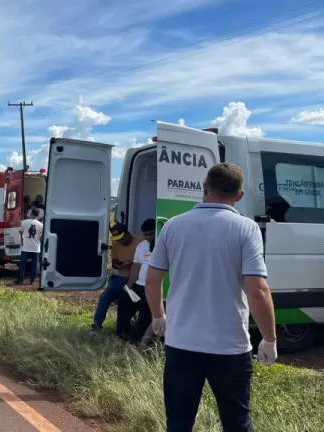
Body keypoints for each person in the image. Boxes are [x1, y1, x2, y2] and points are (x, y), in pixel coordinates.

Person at [144, 163, 278, 432]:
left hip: (181, 343)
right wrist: (269, 338)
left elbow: (152, 278)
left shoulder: (173, 227)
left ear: (204, 188)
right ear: (239, 196)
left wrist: (158, 315)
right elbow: (257, 290)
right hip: (229, 346)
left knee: (179, 423)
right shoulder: (246, 229)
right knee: (237, 422)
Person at [89, 223, 135, 335]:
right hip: (120, 279)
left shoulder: (140, 241)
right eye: (117, 239)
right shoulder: (116, 243)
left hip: (136, 281)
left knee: (135, 302)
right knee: (104, 298)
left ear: (127, 233)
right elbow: (114, 263)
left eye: (121, 238)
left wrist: (132, 263)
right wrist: (118, 264)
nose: (120, 242)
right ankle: (96, 326)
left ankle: (129, 328)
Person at [116, 218, 155, 343]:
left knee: (145, 310)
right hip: (138, 286)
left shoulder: (162, 245)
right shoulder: (142, 246)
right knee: (124, 299)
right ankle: (122, 332)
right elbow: (136, 267)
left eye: (151, 233)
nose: (148, 237)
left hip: (151, 289)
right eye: (145, 234)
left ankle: (136, 338)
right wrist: (129, 286)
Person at [15, 208, 44, 284]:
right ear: (37, 216)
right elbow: (41, 237)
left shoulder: (24, 222)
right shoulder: (41, 225)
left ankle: (20, 279)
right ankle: (32, 280)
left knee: (22, 263)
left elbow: (20, 232)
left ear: (31, 213)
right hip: (36, 247)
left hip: (26, 247)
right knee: (35, 264)